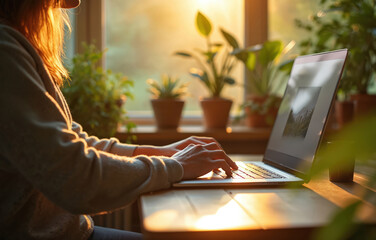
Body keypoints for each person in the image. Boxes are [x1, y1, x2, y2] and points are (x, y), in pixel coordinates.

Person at [0, 0, 237, 239]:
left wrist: (161, 153)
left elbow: (74, 146)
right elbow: (73, 176)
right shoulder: (5, 49)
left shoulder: (13, 41)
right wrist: (176, 167)